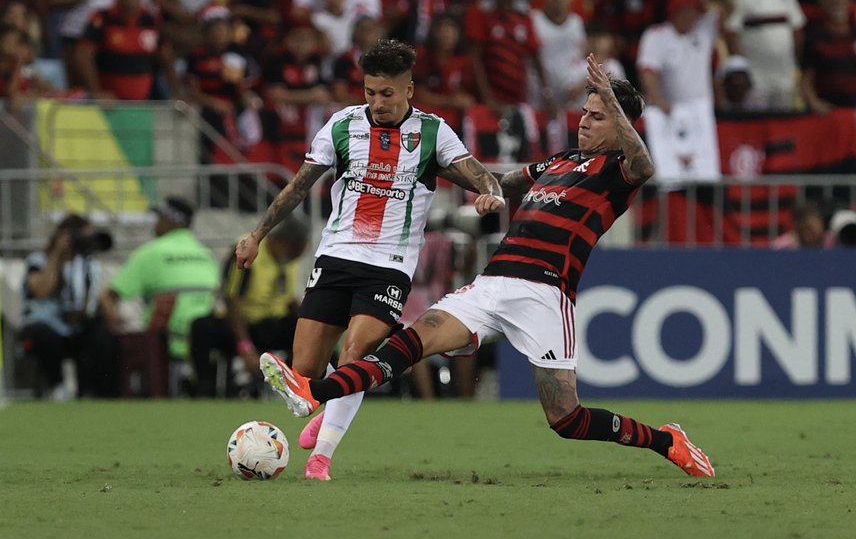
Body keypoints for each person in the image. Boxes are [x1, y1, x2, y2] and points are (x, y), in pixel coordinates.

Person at [259, 54, 715, 479]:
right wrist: (466, 182)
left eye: (598, 117)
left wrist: (614, 101)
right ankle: (313, 393)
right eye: (585, 113)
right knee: (412, 342)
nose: (585, 123)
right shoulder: (559, 162)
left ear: (622, 124)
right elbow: (499, 181)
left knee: (567, 419)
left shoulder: (618, 171)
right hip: (492, 283)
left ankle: (664, 440)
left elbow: (646, 165)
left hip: (545, 294)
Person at [234, 38, 505, 481]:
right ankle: (324, 406)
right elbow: (299, 186)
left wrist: (490, 195)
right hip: (336, 256)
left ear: (409, 90)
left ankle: (321, 458)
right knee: (305, 374)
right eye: (370, 93)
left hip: (389, 266)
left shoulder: (433, 132)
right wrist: (257, 234)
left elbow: (478, 174)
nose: (377, 103)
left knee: (356, 357)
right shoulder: (340, 126)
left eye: (387, 94)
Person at [190, 217, 311, 397]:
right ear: (279, 241)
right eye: (294, 252)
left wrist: (310, 321)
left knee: (315, 333)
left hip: (271, 323)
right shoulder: (249, 250)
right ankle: (205, 389)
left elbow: (287, 298)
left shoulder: (287, 257)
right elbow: (232, 299)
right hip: (240, 324)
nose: (294, 258)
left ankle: (305, 390)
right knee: (201, 327)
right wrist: (245, 347)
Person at [99, 197, 219, 367]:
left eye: (159, 218)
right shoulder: (206, 254)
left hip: (165, 340)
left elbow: (109, 295)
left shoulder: (150, 253)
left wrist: (113, 321)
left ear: (170, 220)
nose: (155, 224)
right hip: (209, 341)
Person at [20, 215, 116, 399]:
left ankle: (96, 392)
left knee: (103, 338)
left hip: (76, 324)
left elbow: (94, 295)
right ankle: (56, 386)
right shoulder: (38, 260)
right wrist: (58, 255)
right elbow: (41, 291)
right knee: (42, 334)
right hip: (47, 323)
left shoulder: (87, 264)